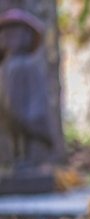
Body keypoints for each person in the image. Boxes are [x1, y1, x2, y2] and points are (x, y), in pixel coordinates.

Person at [0, 9, 52, 165]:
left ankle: (28, 158)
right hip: (7, 116)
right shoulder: (4, 68)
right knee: (12, 133)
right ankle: (14, 157)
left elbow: (38, 95)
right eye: (5, 34)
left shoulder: (29, 65)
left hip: (28, 116)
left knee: (24, 138)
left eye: (15, 34)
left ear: (27, 37)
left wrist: (32, 117)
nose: (9, 38)